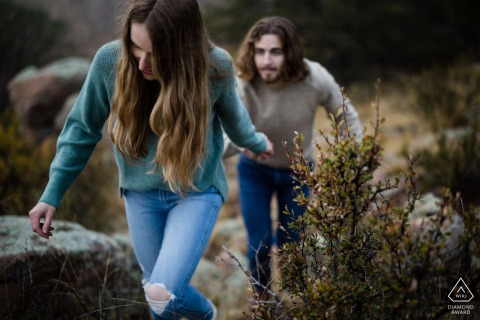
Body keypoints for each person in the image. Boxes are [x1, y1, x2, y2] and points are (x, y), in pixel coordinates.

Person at [28, 1, 273, 319]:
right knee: (156, 298)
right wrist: (52, 193)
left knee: (163, 295)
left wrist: (256, 142)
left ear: (183, 48)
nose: (143, 62)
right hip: (139, 194)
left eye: (156, 53)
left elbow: (236, 123)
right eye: (135, 46)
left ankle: (207, 315)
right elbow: (81, 129)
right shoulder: (110, 61)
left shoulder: (215, 66)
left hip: (196, 191)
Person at [233, 16, 363, 296]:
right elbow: (226, 130)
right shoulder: (243, 83)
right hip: (255, 170)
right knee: (259, 242)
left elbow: (345, 114)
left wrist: (354, 158)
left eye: (275, 52)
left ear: (289, 52)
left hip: (298, 170)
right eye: (260, 52)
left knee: (292, 241)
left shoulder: (314, 77)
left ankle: (296, 299)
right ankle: (263, 300)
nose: (266, 60)